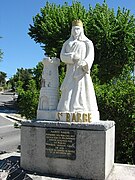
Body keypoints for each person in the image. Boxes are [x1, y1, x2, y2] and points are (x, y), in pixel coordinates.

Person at [57, 20, 99, 118]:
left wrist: (85, 62)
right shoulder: (67, 43)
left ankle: (80, 107)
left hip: (81, 70)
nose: (76, 31)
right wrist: (71, 56)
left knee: (81, 88)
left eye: (78, 29)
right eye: (74, 29)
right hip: (70, 69)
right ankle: (66, 108)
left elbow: (90, 55)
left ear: (81, 30)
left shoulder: (87, 42)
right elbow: (62, 56)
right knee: (68, 88)